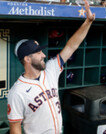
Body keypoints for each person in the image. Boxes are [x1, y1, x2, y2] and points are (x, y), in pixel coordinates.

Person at [7, 0, 95, 133]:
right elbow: (15, 128)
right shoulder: (17, 92)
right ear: (27, 59)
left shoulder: (51, 69)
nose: (43, 55)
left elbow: (71, 46)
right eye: (38, 52)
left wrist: (88, 22)